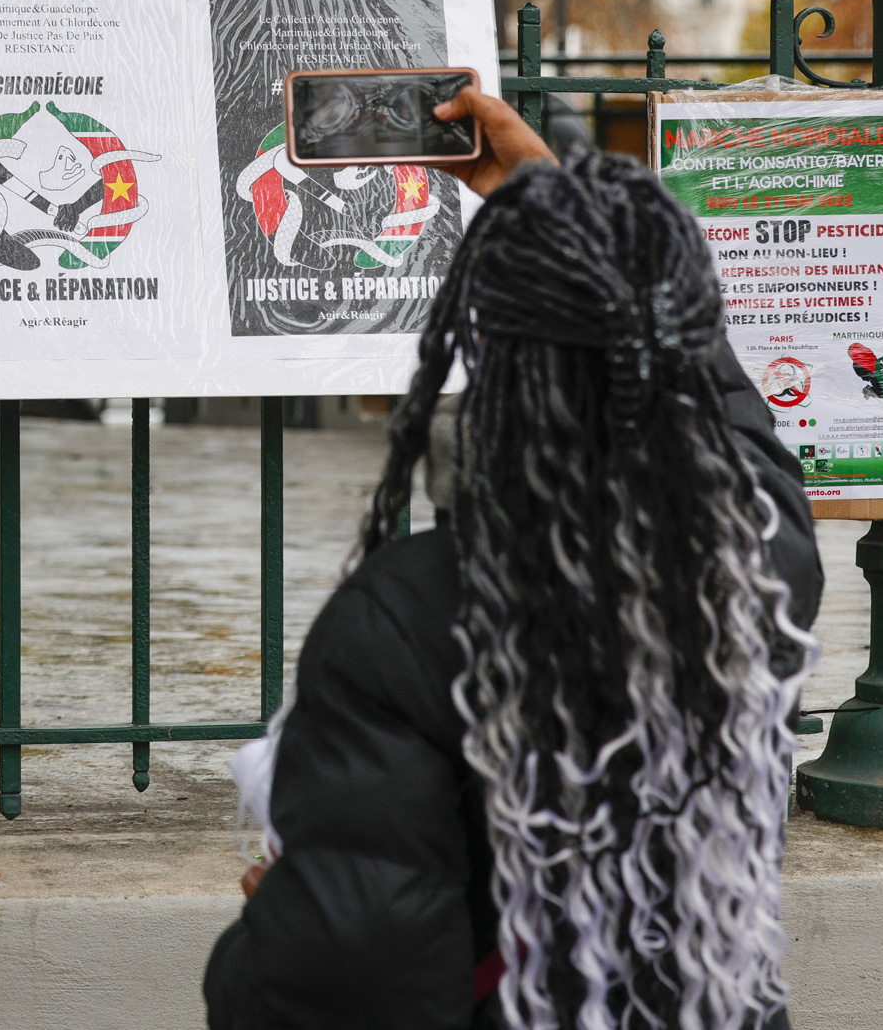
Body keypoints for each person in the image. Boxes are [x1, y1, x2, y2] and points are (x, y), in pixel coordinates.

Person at [204, 89, 823, 1030]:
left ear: (491, 353)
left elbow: (353, 983)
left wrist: (264, 932)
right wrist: (565, 205)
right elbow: (726, 416)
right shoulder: (762, 561)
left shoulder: (409, 617)